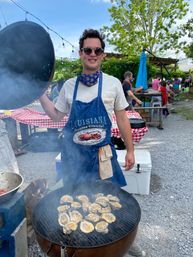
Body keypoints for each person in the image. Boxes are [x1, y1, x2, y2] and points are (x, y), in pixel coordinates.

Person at [39, 29, 146, 257]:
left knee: (111, 201)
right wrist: (40, 94)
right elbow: (57, 117)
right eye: (88, 50)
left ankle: (121, 241)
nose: (92, 54)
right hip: (74, 158)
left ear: (103, 54)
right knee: (76, 202)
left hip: (102, 157)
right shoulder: (69, 85)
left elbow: (122, 118)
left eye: (97, 50)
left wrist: (130, 149)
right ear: (80, 53)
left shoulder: (113, 84)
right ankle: (78, 243)